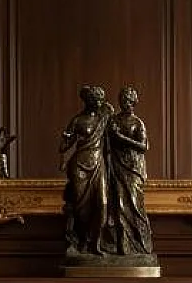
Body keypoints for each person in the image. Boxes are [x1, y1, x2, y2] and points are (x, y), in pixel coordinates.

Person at [60, 85, 112, 255]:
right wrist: (66, 138)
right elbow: (64, 147)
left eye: (100, 100)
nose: (98, 103)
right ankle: (83, 241)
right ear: (87, 101)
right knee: (81, 207)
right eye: (95, 99)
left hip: (98, 164)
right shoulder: (77, 121)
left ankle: (97, 243)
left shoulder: (104, 119)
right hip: (79, 166)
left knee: (103, 204)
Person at [106, 86, 154, 256]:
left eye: (129, 100)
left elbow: (144, 146)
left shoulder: (137, 123)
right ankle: (122, 245)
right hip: (117, 166)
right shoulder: (113, 121)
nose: (126, 103)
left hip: (133, 168)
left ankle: (140, 244)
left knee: (134, 204)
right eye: (123, 100)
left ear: (134, 102)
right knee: (118, 204)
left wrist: (122, 138)